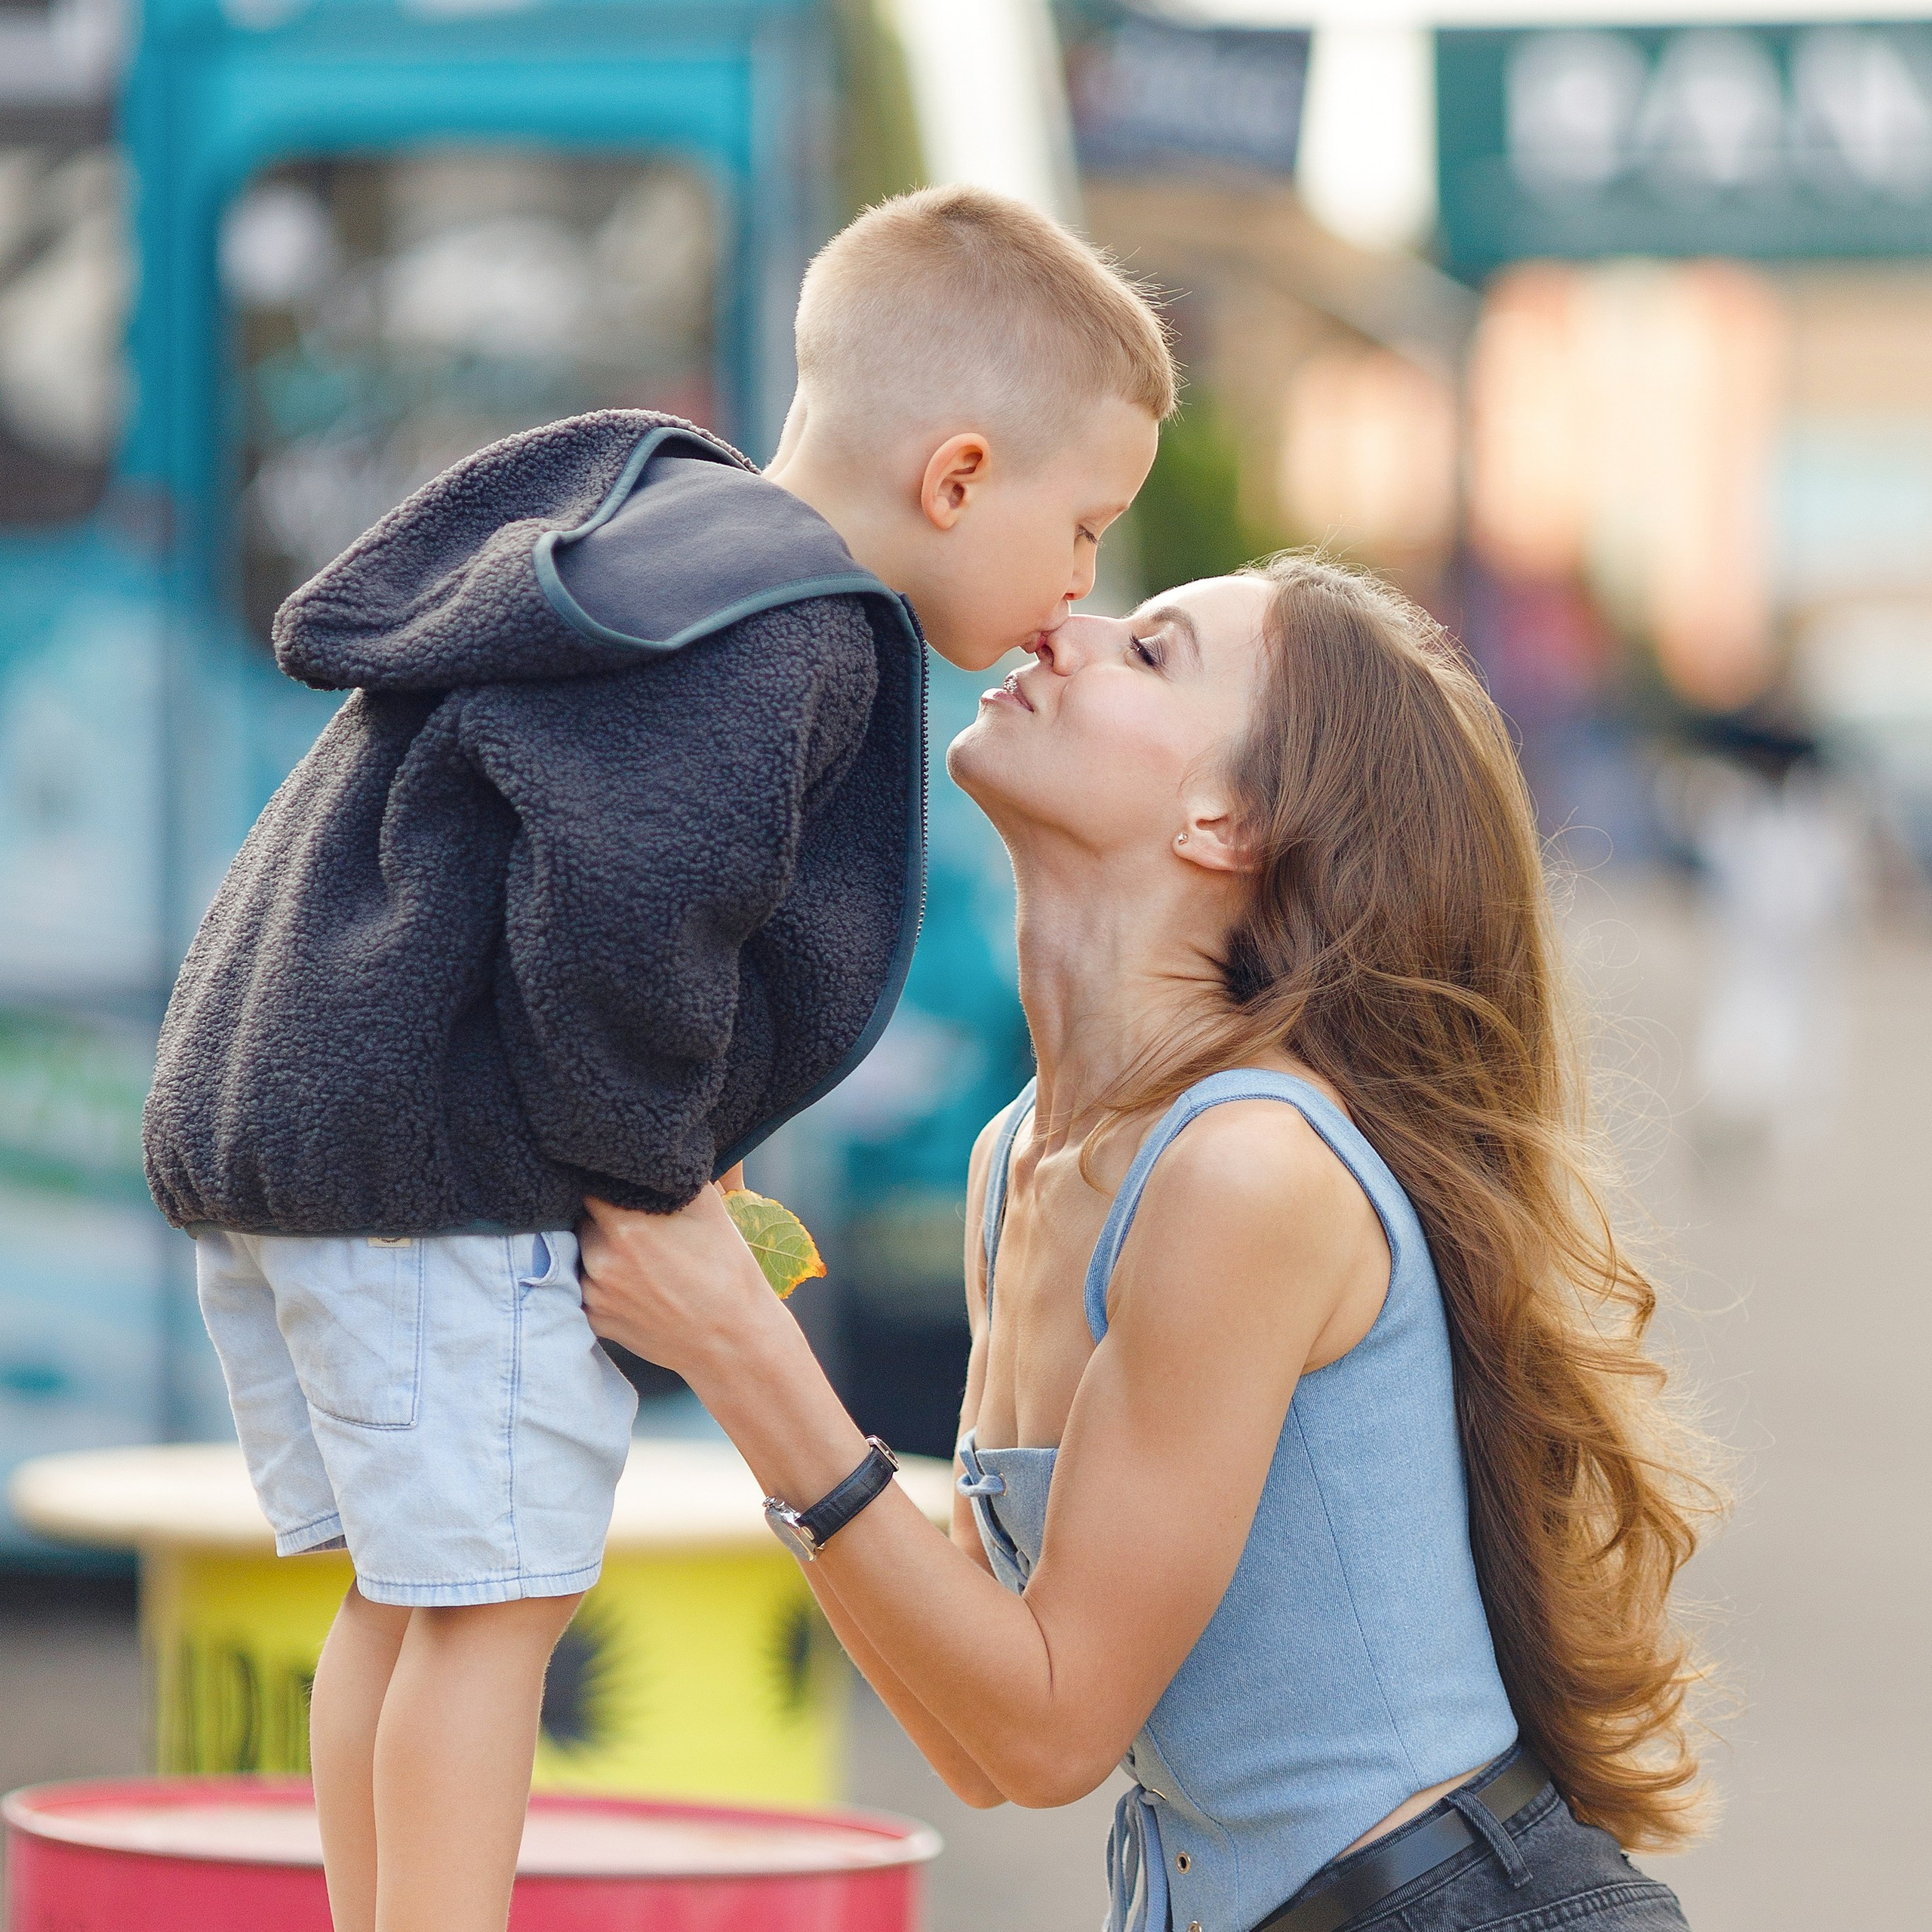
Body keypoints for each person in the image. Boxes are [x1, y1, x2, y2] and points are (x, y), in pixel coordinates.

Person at [139, 186, 1173, 1932]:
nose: (1078, 585)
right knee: (499, 1609)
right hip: (444, 1173)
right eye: (1082, 528)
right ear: (956, 478)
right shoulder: (784, 631)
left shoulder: (647, 544)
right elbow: (627, 912)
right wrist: (655, 1161)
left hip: (310, 1135)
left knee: (408, 1600)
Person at [580, 555, 1718, 1932]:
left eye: (1153, 652)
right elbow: (982, 1742)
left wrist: (737, 1345)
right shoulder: (1022, 1164)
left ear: (1226, 818)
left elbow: (1056, 1732)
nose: (1068, 625)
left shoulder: (1247, 1172)